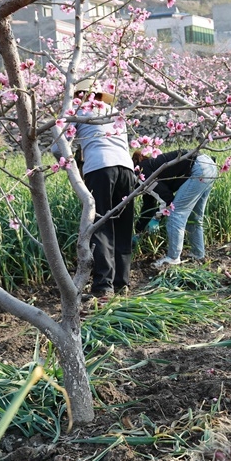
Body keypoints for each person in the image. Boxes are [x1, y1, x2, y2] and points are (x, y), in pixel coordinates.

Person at [76, 80, 137, 302]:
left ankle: (103, 286)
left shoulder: (78, 111)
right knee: (123, 226)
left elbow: (57, 146)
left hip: (100, 168)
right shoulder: (115, 113)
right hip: (126, 169)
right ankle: (122, 284)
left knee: (101, 226)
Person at [133, 149, 218, 268]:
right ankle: (198, 254)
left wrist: (157, 218)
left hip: (199, 168)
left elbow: (167, 199)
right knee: (194, 216)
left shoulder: (141, 173)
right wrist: (139, 231)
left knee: (176, 213)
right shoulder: (149, 168)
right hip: (209, 166)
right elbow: (148, 205)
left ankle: (172, 258)